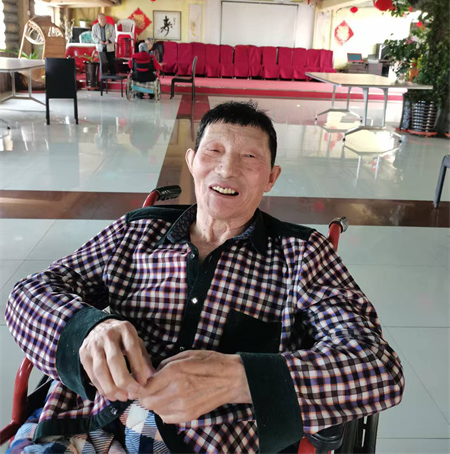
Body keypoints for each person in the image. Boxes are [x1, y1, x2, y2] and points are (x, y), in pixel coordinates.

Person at [5, 102, 404, 454]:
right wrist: (88, 329)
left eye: (250, 157)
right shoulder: (138, 231)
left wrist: (239, 378)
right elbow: (29, 293)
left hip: (209, 440)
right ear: (192, 161)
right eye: (214, 151)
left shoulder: (302, 254)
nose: (227, 169)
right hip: (85, 422)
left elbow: (378, 366)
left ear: (271, 177)